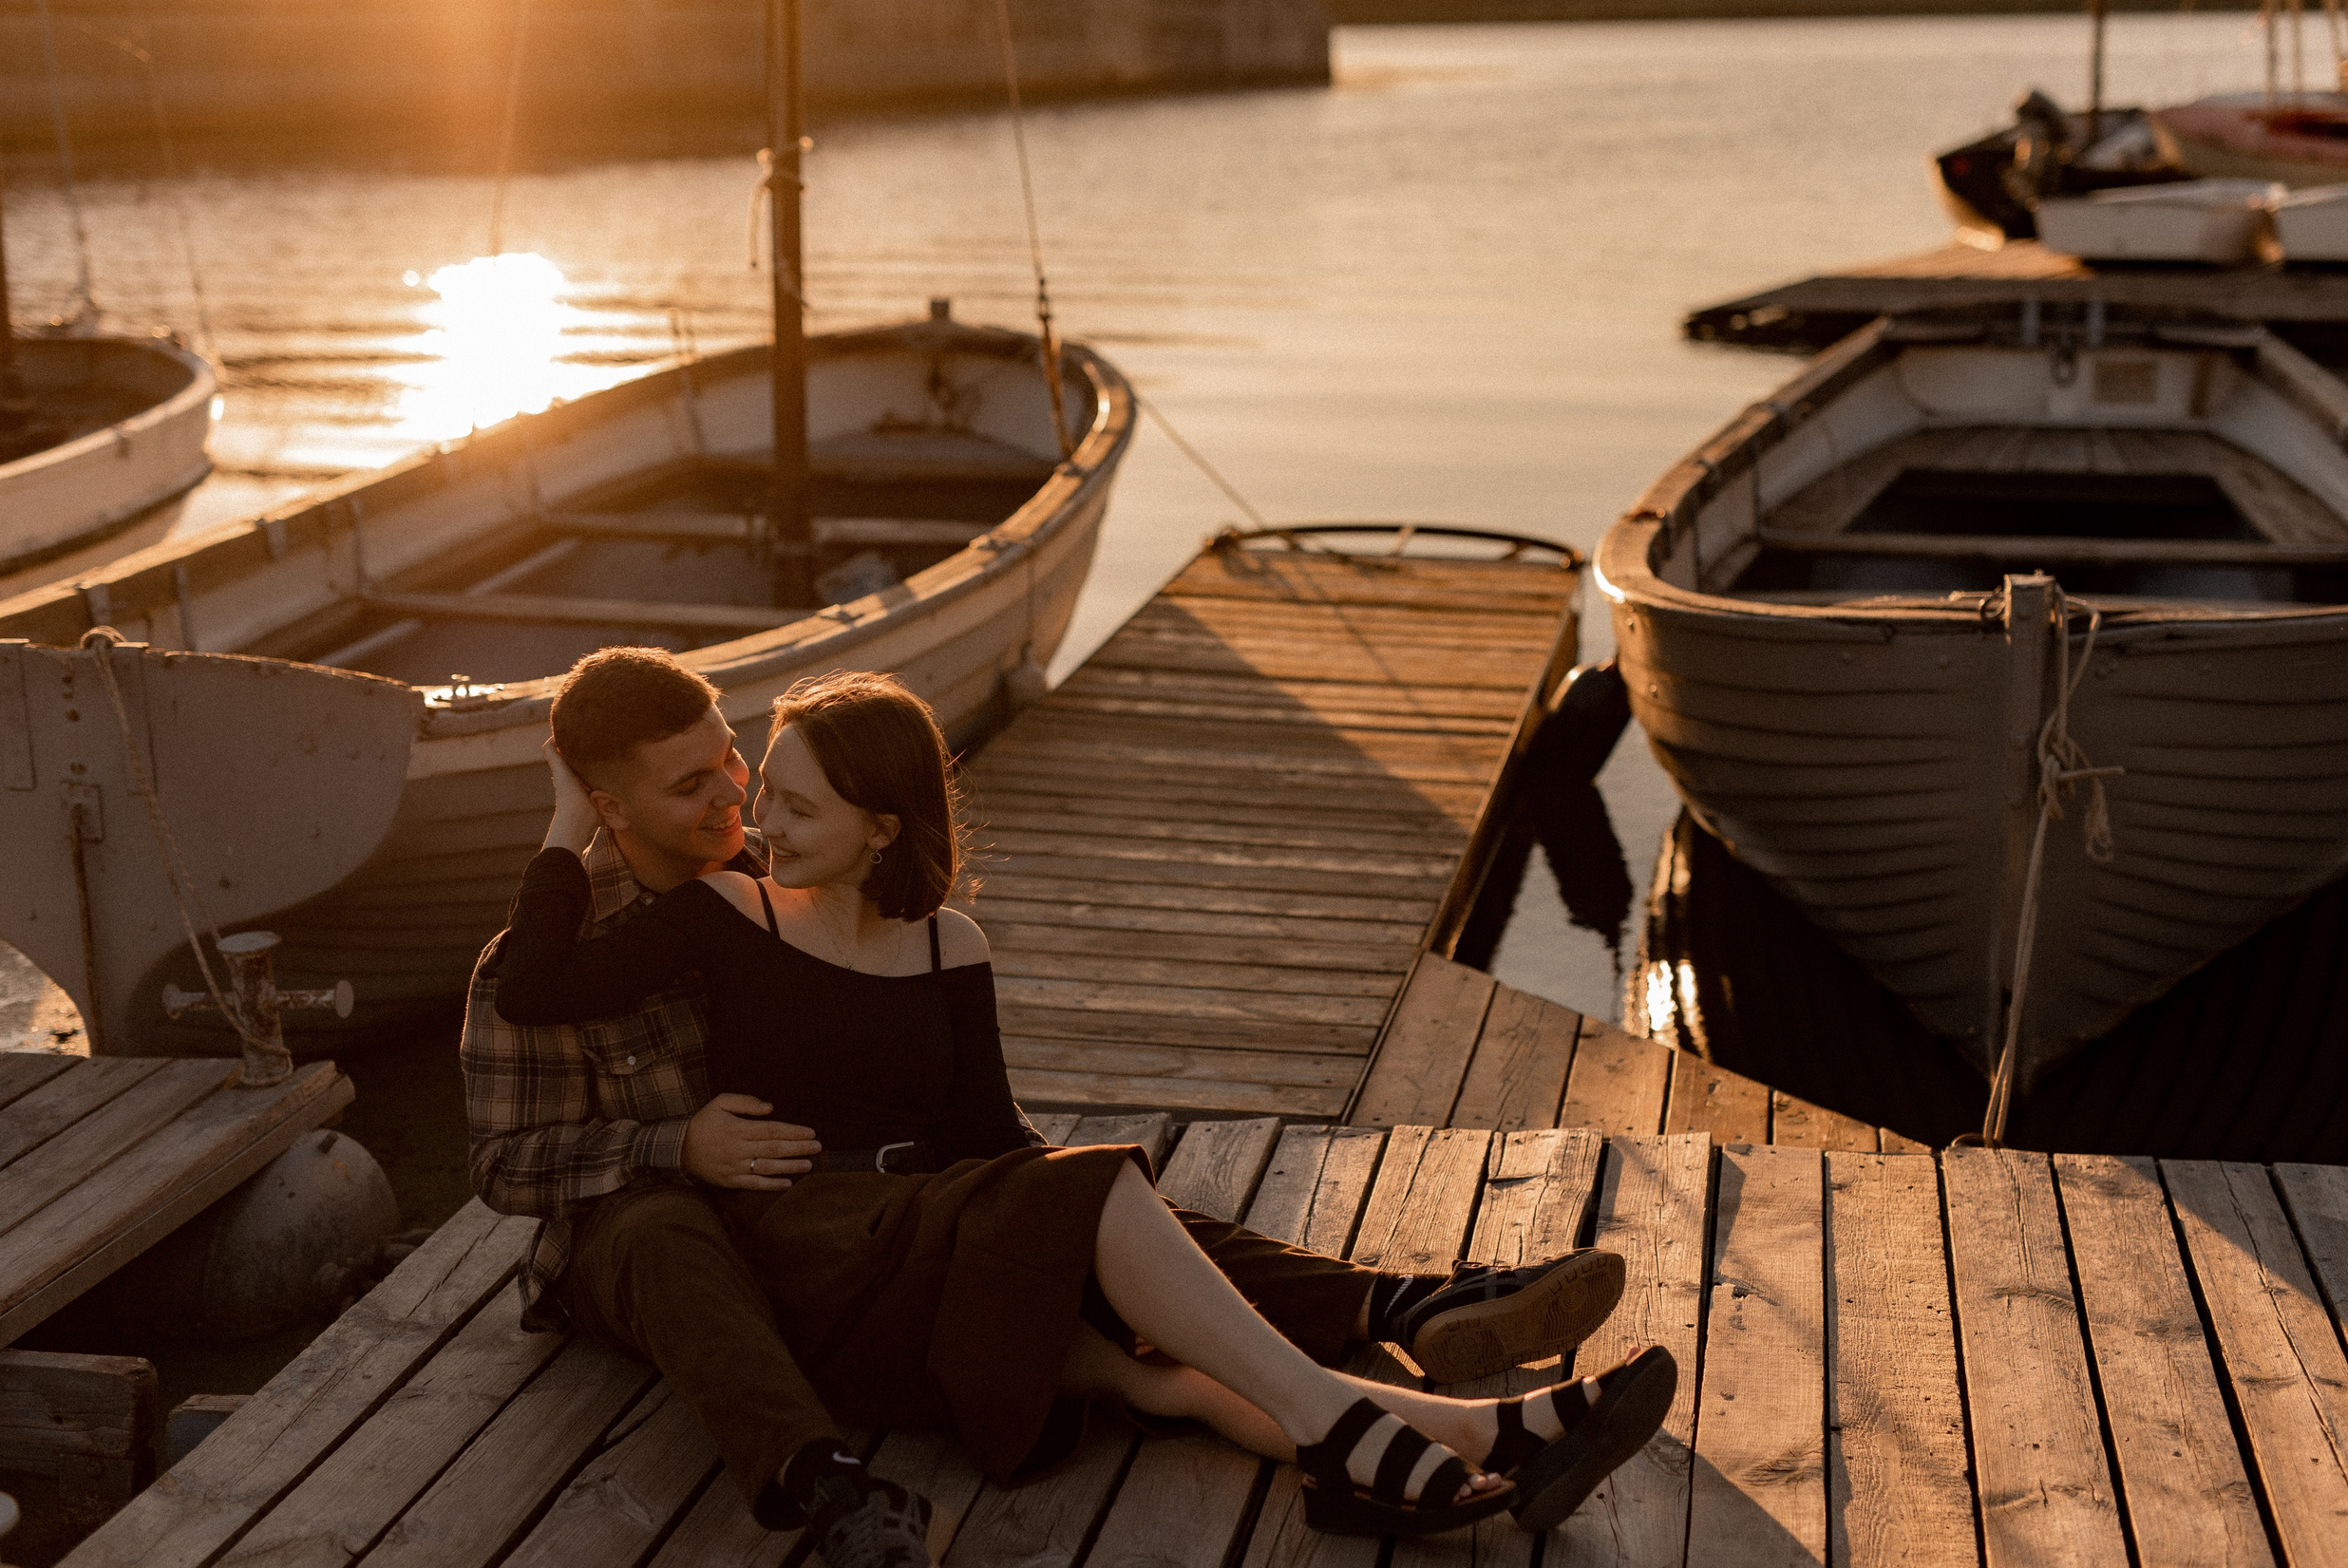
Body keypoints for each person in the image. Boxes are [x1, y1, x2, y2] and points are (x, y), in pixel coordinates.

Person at [464, 649, 1669, 1566]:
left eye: (745, 767)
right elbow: (514, 1122)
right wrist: (673, 1136)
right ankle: (1387, 1404)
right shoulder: (651, 923)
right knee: (1096, 1263)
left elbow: (989, 1137)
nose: (741, 802)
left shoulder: (820, 900)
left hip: (904, 1225)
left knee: (1148, 1325)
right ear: (616, 809)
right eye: (706, 785)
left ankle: (1480, 1416)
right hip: (726, 1244)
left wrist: (1088, 1211)